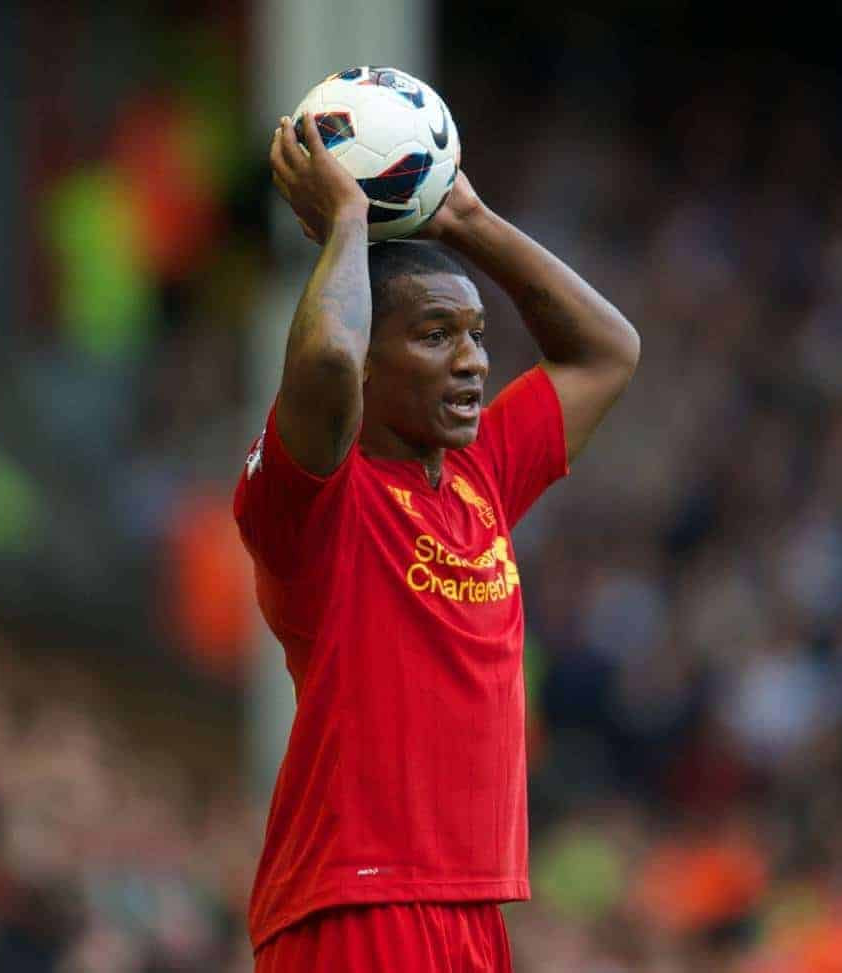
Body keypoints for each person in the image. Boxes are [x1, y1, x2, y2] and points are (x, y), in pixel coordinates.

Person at [234, 111, 640, 972]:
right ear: (368, 361)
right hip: (356, 901)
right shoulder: (315, 505)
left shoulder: (480, 471)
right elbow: (324, 368)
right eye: (433, 336)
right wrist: (346, 223)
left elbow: (608, 350)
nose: (472, 363)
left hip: (469, 907)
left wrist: (469, 222)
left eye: (476, 337)